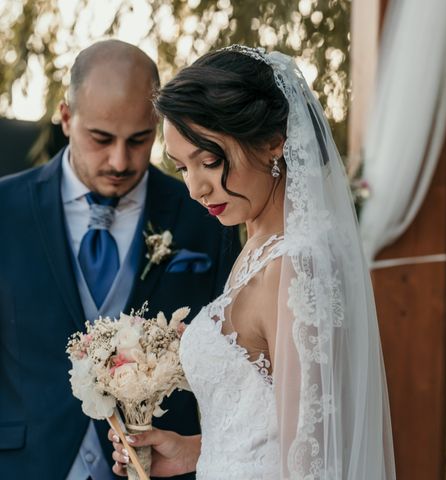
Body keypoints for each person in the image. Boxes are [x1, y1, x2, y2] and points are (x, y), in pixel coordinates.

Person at [109, 45, 396, 479]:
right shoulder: (257, 244)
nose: (196, 188)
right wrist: (194, 453)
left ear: (272, 143)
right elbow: (272, 426)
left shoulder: (293, 266)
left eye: (209, 161)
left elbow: (312, 458)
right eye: (181, 168)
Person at [0, 40, 240, 479]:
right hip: (27, 464)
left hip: (162, 467)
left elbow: (234, 363)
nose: (120, 160)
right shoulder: (5, 208)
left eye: (139, 140)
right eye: (101, 138)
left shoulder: (206, 216)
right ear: (67, 117)